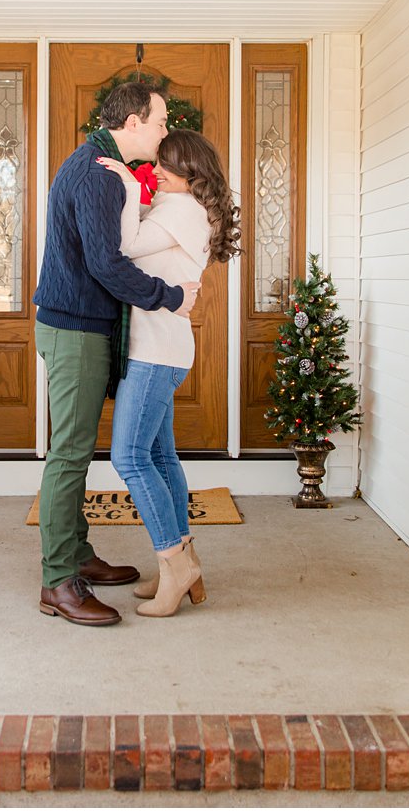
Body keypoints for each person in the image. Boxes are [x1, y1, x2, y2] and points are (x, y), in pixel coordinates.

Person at [33, 80, 200, 627]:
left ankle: (78, 555)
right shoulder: (99, 175)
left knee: (77, 450)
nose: (164, 130)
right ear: (131, 123)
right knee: (70, 453)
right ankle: (58, 580)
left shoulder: (106, 171)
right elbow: (109, 263)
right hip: (75, 329)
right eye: (158, 121)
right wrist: (169, 297)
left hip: (85, 326)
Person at [95, 129, 240, 617]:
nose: (153, 171)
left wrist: (127, 186)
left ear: (188, 172)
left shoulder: (181, 209)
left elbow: (125, 245)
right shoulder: (182, 210)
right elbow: (142, 235)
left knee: (130, 457)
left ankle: (175, 564)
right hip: (164, 349)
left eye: (163, 166)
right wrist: (136, 195)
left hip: (155, 351)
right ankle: (185, 559)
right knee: (160, 456)